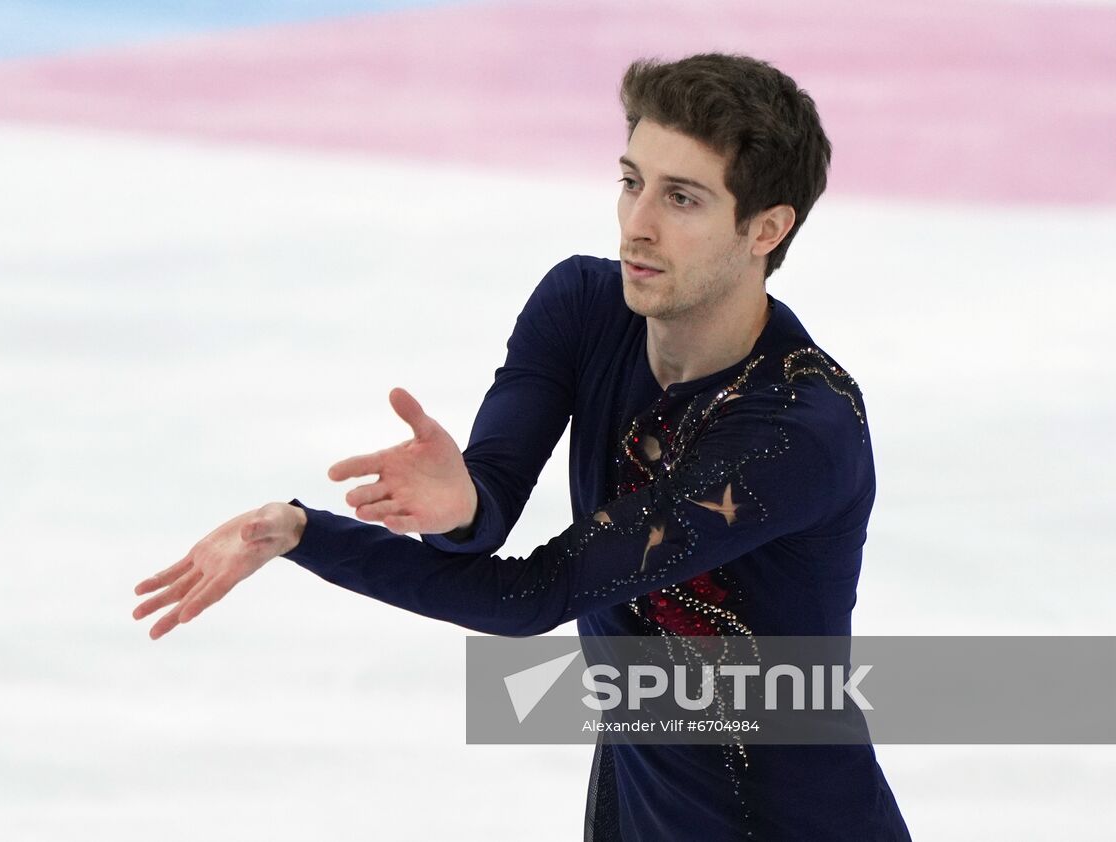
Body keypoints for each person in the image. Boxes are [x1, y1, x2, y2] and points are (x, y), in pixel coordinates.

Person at [133, 53, 911, 840]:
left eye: (682, 198)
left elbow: (533, 595)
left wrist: (304, 533)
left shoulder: (793, 430)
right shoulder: (583, 307)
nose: (637, 224)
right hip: (635, 813)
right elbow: (485, 506)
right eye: (631, 181)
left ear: (766, 229)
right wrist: (461, 504)